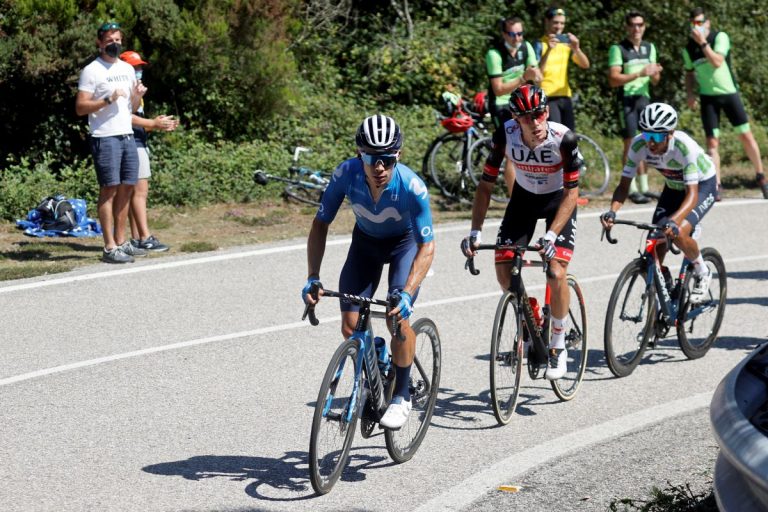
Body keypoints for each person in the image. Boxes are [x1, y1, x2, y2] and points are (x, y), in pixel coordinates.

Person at [302, 115, 435, 430]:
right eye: (372, 159)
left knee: (396, 318)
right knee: (350, 328)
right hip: (366, 244)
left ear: (397, 156)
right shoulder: (345, 175)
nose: (380, 168)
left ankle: (402, 394)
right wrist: (313, 276)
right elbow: (320, 224)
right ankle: (378, 356)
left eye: (387, 160)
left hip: (404, 246)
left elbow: (427, 246)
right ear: (359, 155)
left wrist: (406, 293)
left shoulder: (412, 187)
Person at [461, 84, 581, 380]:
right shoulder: (505, 134)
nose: (535, 121)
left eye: (540, 113)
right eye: (527, 117)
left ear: (547, 111)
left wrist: (551, 235)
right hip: (524, 200)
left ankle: (557, 344)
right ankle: (532, 314)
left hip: (558, 201)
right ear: (516, 119)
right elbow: (486, 186)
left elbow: (572, 194)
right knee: (504, 271)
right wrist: (475, 231)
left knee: (555, 271)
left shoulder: (564, 138)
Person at [600, 103, 717, 303]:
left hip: (702, 185)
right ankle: (663, 285)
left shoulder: (683, 147)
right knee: (654, 240)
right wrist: (612, 212)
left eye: (657, 137)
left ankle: (702, 271)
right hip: (673, 187)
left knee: (678, 231)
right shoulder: (638, 146)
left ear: (670, 134)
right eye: (647, 135)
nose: (651, 143)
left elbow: (692, 195)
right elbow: (624, 186)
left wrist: (675, 221)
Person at [75, 21, 147, 263]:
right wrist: (106, 100)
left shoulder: (127, 69)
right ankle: (108, 246)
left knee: (127, 188)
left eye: (117, 40)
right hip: (105, 137)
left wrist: (137, 97)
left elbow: (131, 108)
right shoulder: (92, 70)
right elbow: (80, 107)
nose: (114, 44)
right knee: (109, 189)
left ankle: (121, 241)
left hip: (127, 135)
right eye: (109, 41)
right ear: (99, 43)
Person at [683, 7, 767, 200]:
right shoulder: (688, 48)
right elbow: (689, 73)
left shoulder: (720, 37)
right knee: (712, 143)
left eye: (701, 22)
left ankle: (761, 176)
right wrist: (690, 92)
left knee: (745, 135)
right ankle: (716, 185)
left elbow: (717, 61)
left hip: (729, 94)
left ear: (707, 22)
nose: (698, 26)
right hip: (708, 97)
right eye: (694, 23)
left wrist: (703, 42)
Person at [119, 50, 178, 252]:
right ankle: (145, 237)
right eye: (135, 67)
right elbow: (125, 117)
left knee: (134, 192)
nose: (139, 71)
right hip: (133, 143)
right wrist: (152, 122)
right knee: (140, 192)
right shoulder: (125, 89)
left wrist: (158, 124)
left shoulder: (137, 90)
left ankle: (137, 238)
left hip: (138, 140)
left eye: (140, 67)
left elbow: (138, 120)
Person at [608, 11, 663, 204]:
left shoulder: (649, 47)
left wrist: (655, 73)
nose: (636, 29)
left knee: (648, 142)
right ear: (627, 27)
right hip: (627, 100)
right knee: (630, 143)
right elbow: (614, 79)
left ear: (644, 26)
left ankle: (644, 187)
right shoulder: (618, 48)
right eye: (632, 25)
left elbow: (655, 80)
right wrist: (639, 73)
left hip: (644, 100)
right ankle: (629, 188)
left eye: (640, 25)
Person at [485, 17, 542, 197]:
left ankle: (534, 191)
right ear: (504, 34)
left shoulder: (526, 47)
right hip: (502, 105)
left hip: (524, 104)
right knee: (512, 151)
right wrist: (523, 78)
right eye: (512, 34)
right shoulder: (494, 54)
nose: (517, 38)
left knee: (533, 147)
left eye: (520, 33)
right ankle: (515, 199)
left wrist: (535, 76)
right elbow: (499, 89)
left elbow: (536, 75)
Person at [534, 6, 590, 131]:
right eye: (555, 22)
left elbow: (585, 65)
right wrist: (548, 50)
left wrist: (576, 48)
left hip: (565, 95)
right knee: (555, 136)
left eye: (562, 23)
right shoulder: (539, 44)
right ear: (546, 22)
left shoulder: (565, 44)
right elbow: (537, 77)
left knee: (570, 137)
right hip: (547, 96)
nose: (559, 26)